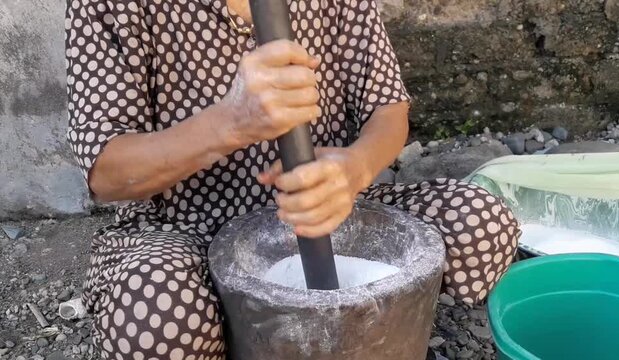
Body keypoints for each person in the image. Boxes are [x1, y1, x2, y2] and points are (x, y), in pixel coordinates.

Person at [65, 0, 520, 358]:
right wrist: (229, 123)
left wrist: (355, 169)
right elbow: (107, 173)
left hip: (329, 213)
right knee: (156, 315)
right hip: (187, 228)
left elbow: (388, 108)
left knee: (482, 222)